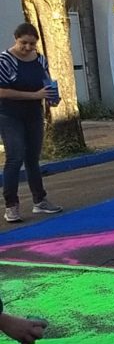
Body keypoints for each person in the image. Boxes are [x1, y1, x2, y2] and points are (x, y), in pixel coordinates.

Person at [0, 22, 62, 223]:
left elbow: (46, 81)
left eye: (32, 44)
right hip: (9, 114)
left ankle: (40, 200)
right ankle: (11, 205)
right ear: (15, 39)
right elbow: (2, 91)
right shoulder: (4, 60)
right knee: (15, 157)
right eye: (23, 43)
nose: (27, 48)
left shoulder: (39, 59)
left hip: (33, 113)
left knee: (33, 158)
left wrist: (52, 96)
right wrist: (34, 95)